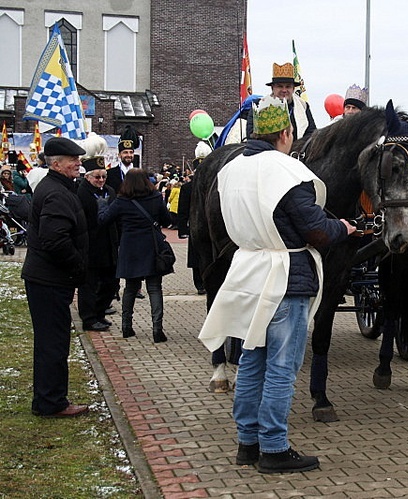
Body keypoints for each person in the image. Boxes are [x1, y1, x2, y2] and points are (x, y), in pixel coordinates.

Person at [198, 95, 355, 473]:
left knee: (252, 360)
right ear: (286, 133)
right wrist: (344, 228)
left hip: (248, 269)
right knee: (282, 367)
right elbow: (315, 230)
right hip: (285, 275)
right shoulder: (286, 172)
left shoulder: (230, 170)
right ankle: (274, 446)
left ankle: (247, 442)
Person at [21, 137, 90, 418]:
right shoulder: (57, 193)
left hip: (47, 279)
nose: (78, 164)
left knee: (51, 341)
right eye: (73, 160)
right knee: (53, 343)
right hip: (49, 280)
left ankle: (48, 400)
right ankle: (51, 402)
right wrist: (77, 267)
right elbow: (55, 240)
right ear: (57, 164)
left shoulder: (57, 188)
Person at [98, 168, 173, 343]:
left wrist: (102, 205)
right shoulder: (155, 198)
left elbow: (104, 220)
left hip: (130, 248)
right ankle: (157, 329)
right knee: (154, 288)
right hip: (152, 247)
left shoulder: (121, 201)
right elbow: (167, 220)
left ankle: (127, 327)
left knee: (131, 287)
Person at [77, 146, 120, 332]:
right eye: (97, 177)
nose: (101, 180)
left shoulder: (110, 191)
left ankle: (100, 312)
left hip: (109, 244)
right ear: (88, 177)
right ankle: (88, 318)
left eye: (103, 176)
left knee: (110, 283)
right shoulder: (82, 192)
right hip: (91, 245)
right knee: (90, 285)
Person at [244, 62, 317, 142]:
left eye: (288, 86)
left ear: (293, 89)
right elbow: (251, 135)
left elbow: (311, 134)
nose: (284, 90)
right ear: (272, 88)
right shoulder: (259, 106)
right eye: (280, 86)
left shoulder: (303, 106)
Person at [106, 125, 139, 194]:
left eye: (131, 152)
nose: (129, 155)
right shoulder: (110, 174)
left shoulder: (140, 174)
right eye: (125, 152)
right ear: (119, 155)